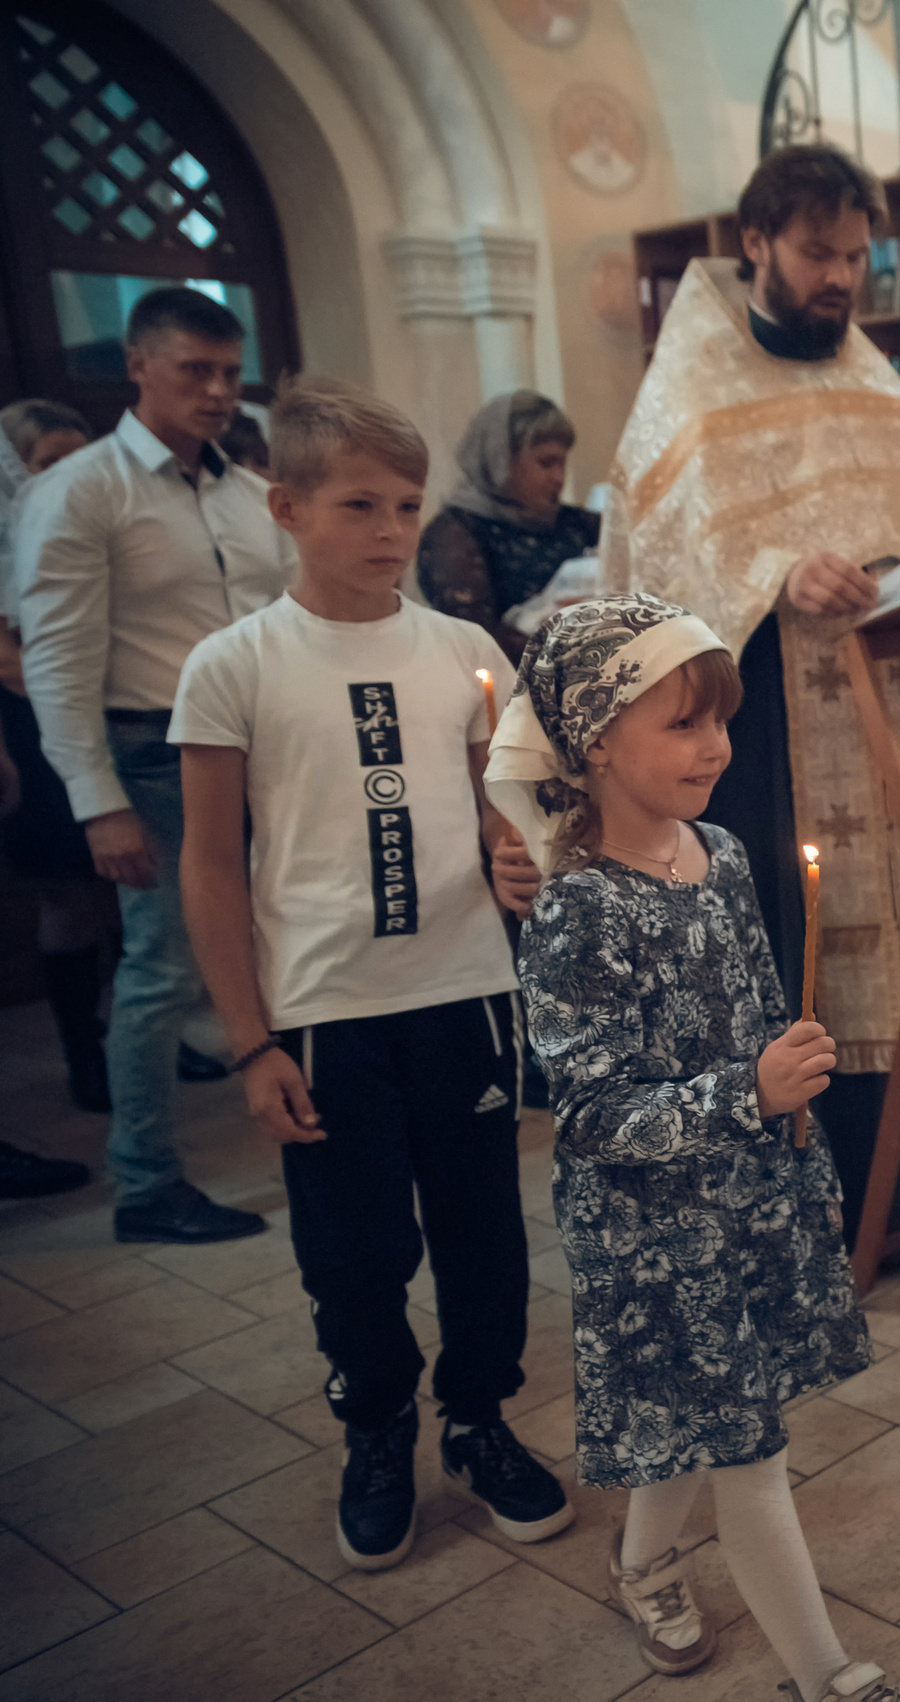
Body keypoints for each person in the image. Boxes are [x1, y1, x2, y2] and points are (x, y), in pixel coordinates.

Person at [493, 592, 900, 1702]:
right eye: (682, 723)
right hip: (656, 1237)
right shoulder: (577, 909)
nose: (717, 747)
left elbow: (757, 1016)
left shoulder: (722, 853)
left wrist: (801, 1157)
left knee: (709, 1416)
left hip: (749, 1196)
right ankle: (827, 1675)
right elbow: (588, 1112)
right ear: (596, 739)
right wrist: (746, 1089)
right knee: (750, 1449)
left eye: (720, 719)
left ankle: (642, 1561)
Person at [171, 375, 569, 1571]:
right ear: (285, 506)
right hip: (326, 1013)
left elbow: (516, 817)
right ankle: (379, 1424)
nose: (392, 532)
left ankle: (478, 1417)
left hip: (460, 994)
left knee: (485, 1234)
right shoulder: (234, 665)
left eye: (406, 506)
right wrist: (249, 1041)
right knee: (351, 1252)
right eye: (359, 506)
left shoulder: (461, 651)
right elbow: (208, 868)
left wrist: (519, 859)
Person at [601, 142, 900, 1258]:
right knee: (791, 926)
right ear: (755, 243)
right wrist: (775, 580)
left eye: (856, 256)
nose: (841, 278)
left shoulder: (861, 372)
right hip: (765, 725)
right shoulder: (689, 381)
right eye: (817, 252)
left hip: (889, 697)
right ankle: (803, 1195)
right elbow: (653, 566)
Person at [12, 287, 288, 1244]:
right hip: (153, 750)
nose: (218, 391)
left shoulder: (252, 497)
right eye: (194, 371)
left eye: (228, 372)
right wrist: (98, 802)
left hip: (265, 746)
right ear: (138, 366)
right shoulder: (81, 491)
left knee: (284, 939)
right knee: (162, 968)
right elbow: (56, 661)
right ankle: (143, 1182)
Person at [0, 402, 116, 1145]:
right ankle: (85, 1057)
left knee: (122, 893)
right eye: (48, 464)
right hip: (31, 725)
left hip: (98, 715)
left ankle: (126, 1039)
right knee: (69, 892)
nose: (66, 478)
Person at [417, 390, 599, 663]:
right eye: (546, 463)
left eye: (562, 463)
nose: (559, 477)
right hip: (512, 688)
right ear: (500, 460)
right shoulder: (455, 533)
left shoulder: (580, 523)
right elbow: (477, 635)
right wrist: (572, 654)